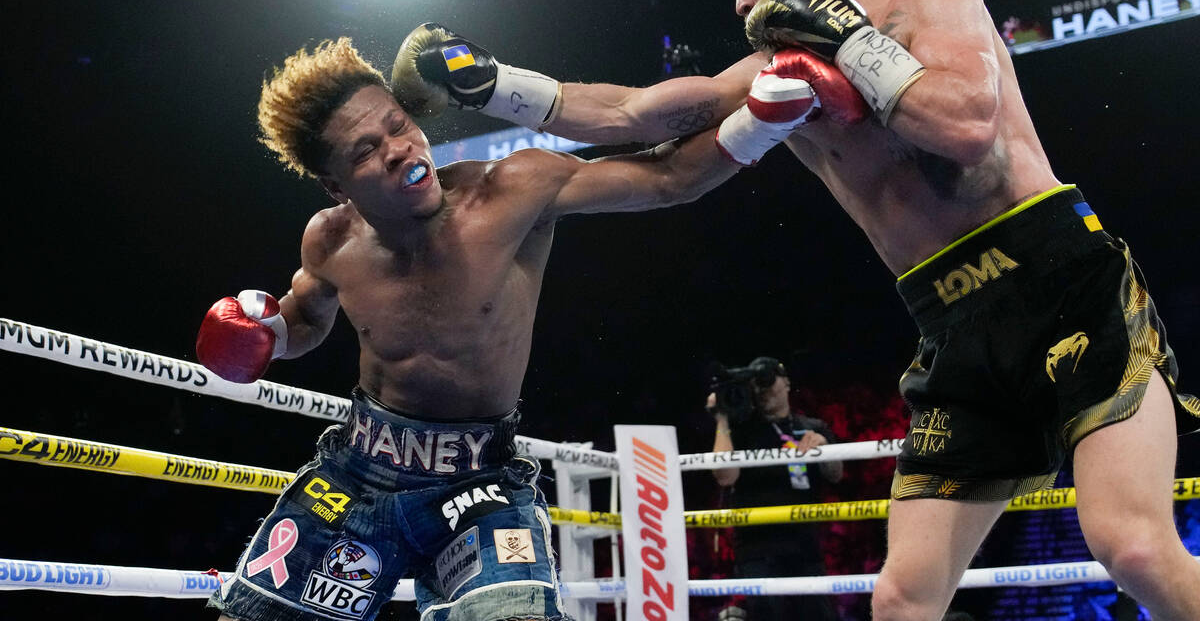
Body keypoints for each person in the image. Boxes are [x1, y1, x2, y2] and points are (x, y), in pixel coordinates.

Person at [392, 0, 1200, 620]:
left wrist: (849, 40)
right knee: (902, 599)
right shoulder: (773, 72)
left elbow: (965, 125)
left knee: (1131, 546)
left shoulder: (934, 1)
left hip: (1061, 283)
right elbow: (636, 113)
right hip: (956, 330)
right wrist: (491, 83)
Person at [195, 36, 792, 621]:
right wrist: (268, 329)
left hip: (479, 484)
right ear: (335, 186)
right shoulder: (330, 239)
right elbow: (307, 321)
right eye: (365, 151)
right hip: (356, 474)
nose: (400, 150)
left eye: (399, 125)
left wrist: (760, 125)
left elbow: (668, 179)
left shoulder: (512, 190)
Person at [707, 356, 842, 621]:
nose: (764, 388)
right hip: (758, 550)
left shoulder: (812, 428)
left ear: (787, 383)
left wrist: (824, 446)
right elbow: (725, 477)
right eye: (757, 383)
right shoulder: (742, 430)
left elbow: (836, 474)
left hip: (806, 547)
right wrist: (722, 419)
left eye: (769, 379)